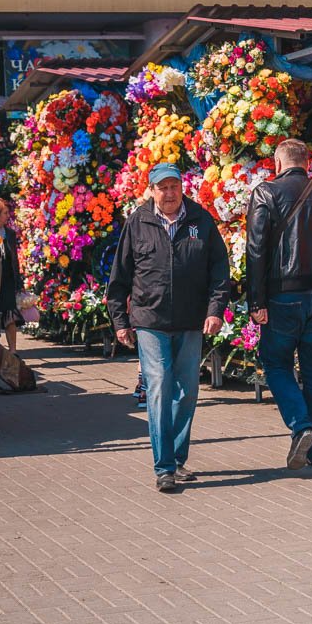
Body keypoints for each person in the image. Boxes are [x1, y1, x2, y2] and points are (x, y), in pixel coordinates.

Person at [106, 163, 231, 493]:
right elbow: (119, 277)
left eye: (174, 185)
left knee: (187, 393)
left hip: (191, 321)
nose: (170, 192)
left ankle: (176, 458)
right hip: (150, 321)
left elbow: (220, 269)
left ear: (182, 187)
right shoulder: (138, 221)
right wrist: (121, 322)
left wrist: (215, 310)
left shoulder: (200, 220)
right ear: (151, 190)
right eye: (162, 187)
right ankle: (163, 468)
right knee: (160, 386)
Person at [245, 138, 312, 471]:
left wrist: (256, 301)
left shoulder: (266, 193)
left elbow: (256, 250)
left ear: (278, 163)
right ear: (307, 163)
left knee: (275, 363)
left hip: (282, 296)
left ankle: (301, 425)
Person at [0, 197, 24, 354]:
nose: (8, 216)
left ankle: (13, 351)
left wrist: (18, 281)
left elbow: (14, 258)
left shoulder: (10, 233)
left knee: (10, 316)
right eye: (5, 213)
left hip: (7, 280)